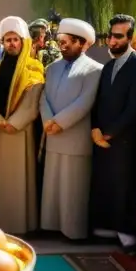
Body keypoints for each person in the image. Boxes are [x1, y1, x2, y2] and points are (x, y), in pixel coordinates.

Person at [89, 14, 136, 252]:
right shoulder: (108, 67)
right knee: (105, 185)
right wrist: (95, 128)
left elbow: (135, 108)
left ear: (132, 37)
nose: (112, 42)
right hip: (102, 139)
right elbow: (98, 101)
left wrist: (109, 134)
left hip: (126, 142)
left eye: (118, 37)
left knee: (124, 187)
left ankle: (127, 236)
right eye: (110, 36)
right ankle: (106, 230)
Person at [39, 18, 103, 241]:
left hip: (75, 138)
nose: (62, 46)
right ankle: (51, 226)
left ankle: (73, 232)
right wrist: (48, 121)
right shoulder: (52, 67)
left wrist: (60, 122)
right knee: (53, 187)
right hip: (52, 135)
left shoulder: (95, 70)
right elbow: (43, 98)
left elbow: (85, 102)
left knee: (73, 189)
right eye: (60, 42)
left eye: (67, 42)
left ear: (82, 43)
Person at [0, 17, 45, 234]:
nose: (11, 43)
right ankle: (0, 225)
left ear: (23, 42)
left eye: (15, 39)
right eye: (7, 40)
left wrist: (14, 123)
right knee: (1, 183)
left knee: (20, 183)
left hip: (21, 133)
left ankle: (20, 227)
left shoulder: (34, 69)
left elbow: (33, 104)